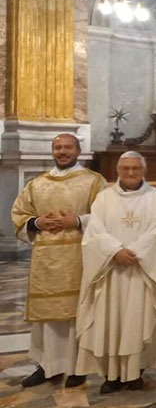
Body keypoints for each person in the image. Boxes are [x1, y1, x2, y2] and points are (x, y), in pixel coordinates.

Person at [11, 133, 105, 388]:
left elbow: (107, 216)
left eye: (67, 147)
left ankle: (77, 366)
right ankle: (47, 365)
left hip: (78, 255)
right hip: (45, 257)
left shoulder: (94, 182)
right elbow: (20, 213)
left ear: (78, 150)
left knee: (74, 313)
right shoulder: (37, 184)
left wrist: (76, 221)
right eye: (58, 148)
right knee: (48, 316)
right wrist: (36, 222)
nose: (62, 152)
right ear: (53, 151)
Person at [76, 152, 156, 393]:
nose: (130, 173)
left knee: (136, 321)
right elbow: (95, 230)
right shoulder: (104, 198)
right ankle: (111, 376)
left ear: (143, 171)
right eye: (125, 168)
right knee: (110, 321)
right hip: (111, 270)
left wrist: (134, 252)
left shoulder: (154, 197)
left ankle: (134, 373)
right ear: (117, 171)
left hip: (139, 270)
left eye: (135, 169)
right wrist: (115, 251)